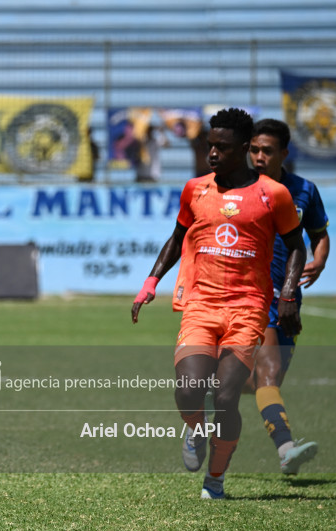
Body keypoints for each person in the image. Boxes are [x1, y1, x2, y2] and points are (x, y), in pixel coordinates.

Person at [131, 108, 305, 499]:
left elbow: (296, 246)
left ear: (243, 149)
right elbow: (177, 237)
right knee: (190, 390)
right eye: (210, 146)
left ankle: (215, 480)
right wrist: (150, 281)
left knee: (226, 398)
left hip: (247, 308)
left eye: (222, 148)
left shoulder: (272, 194)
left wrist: (289, 293)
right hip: (201, 304)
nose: (212, 154)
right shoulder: (195, 189)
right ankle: (195, 427)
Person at [244, 118, 329, 474]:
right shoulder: (239, 190)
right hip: (254, 295)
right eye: (254, 150)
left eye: (267, 151)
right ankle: (287, 450)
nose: (259, 157)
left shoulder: (304, 190)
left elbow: (319, 233)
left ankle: (213, 390)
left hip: (289, 296)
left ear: (284, 153)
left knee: (264, 383)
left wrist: (320, 260)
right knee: (269, 371)